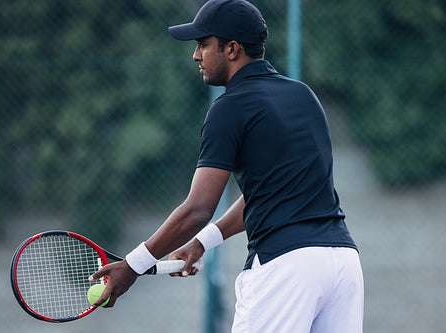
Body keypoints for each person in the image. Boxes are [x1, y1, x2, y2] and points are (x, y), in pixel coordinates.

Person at [89, 0, 364, 332]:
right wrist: (202, 242)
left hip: (286, 267)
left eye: (204, 45)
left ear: (232, 49)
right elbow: (268, 192)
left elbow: (197, 209)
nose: (195, 55)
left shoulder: (229, 108)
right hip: (343, 265)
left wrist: (132, 266)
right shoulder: (303, 95)